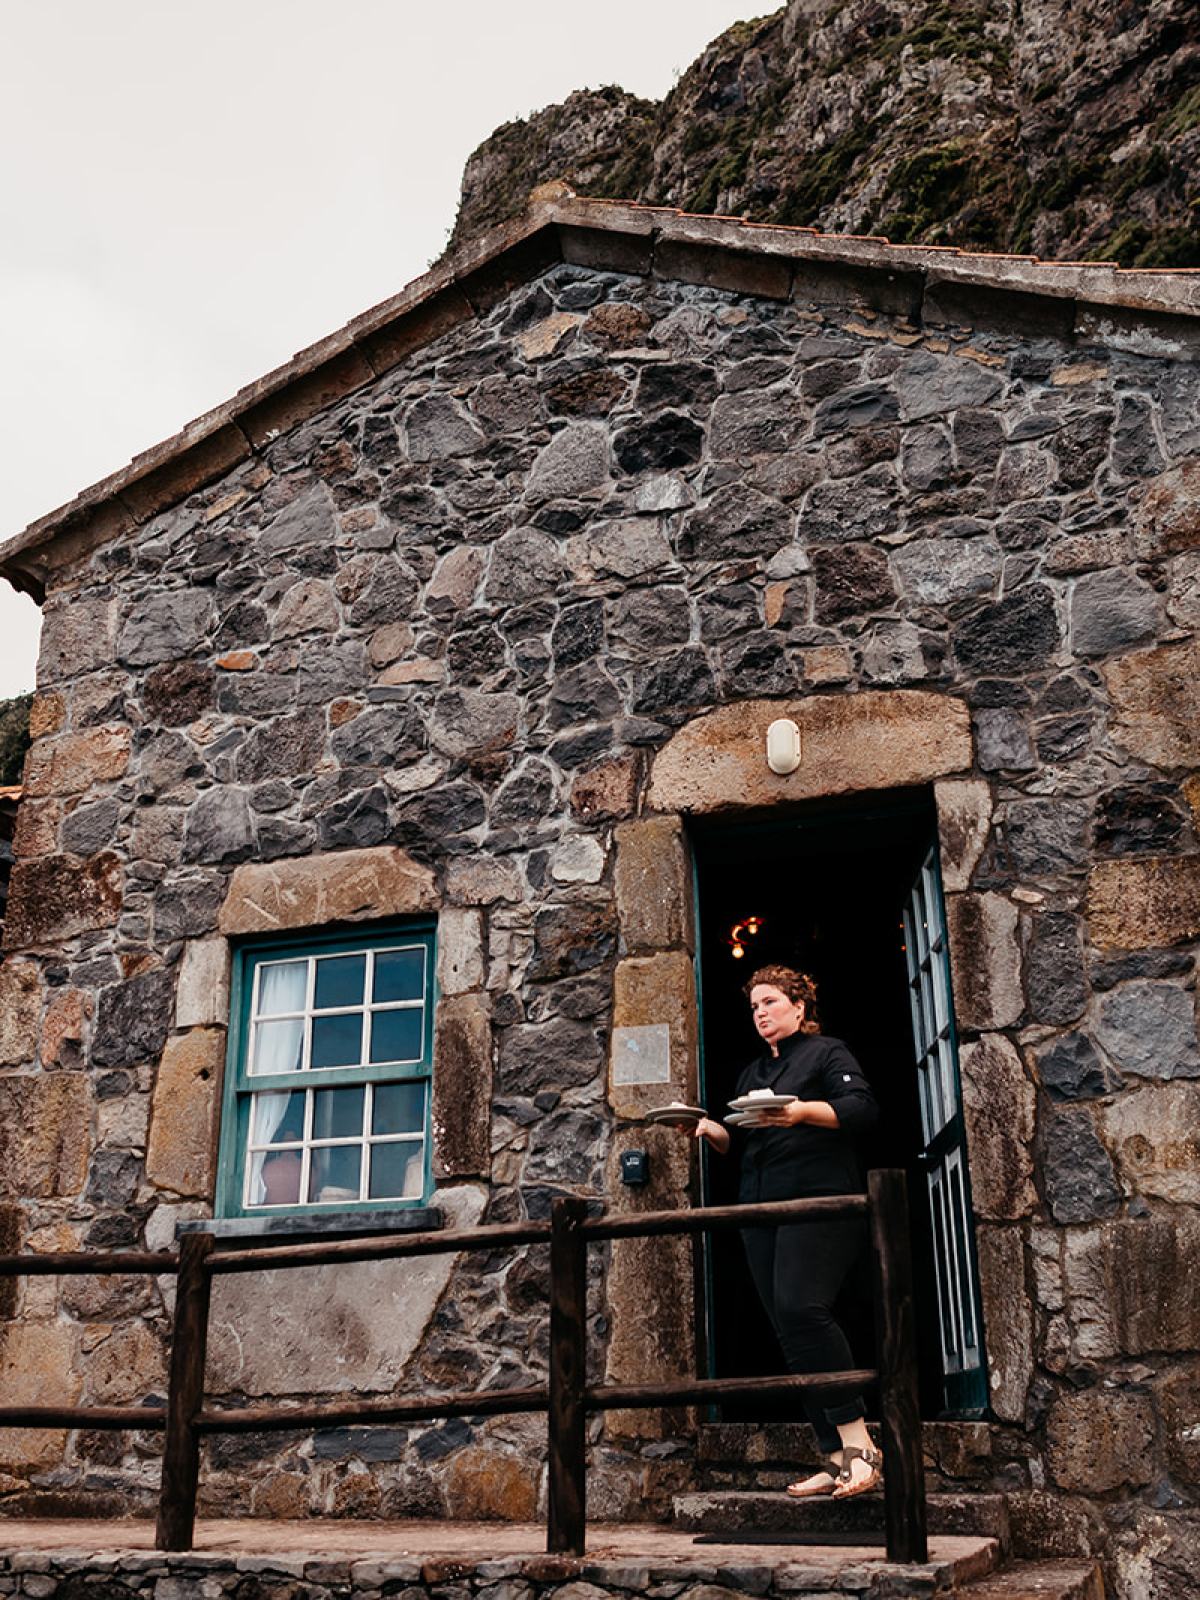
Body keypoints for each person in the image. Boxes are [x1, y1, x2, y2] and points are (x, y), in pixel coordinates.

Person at [691, 964, 882, 1499]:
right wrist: (712, 1131)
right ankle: (837, 1457)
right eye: (754, 1007)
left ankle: (861, 1449)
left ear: (799, 1008)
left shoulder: (828, 1054)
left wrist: (800, 1112)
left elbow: (862, 1110)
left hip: (817, 1199)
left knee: (803, 1311)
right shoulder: (751, 1075)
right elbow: (742, 1142)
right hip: (759, 1208)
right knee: (788, 1327)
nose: (761, 1013)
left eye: (771, 1002)